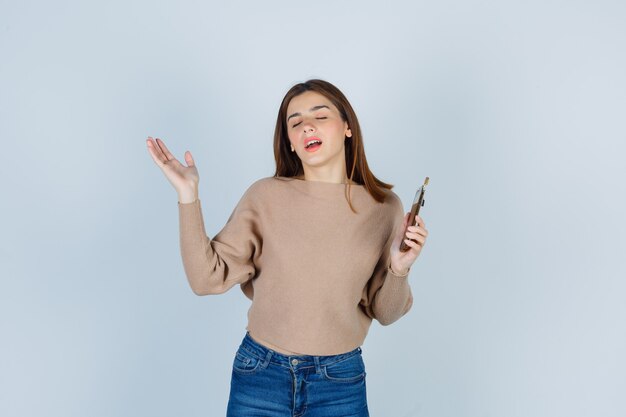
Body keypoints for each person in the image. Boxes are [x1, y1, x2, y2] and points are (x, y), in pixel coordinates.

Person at [146, 79, 429, 416]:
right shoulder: (265, 196)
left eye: (320, 116)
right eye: (295, 123)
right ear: (291, 142)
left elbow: (387, 312)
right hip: (261, 374)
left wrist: (399, 268)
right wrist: (188, 195)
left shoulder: (384, 208)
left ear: (347, 127)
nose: (307, 125)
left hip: (339, 382)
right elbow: (205, 279)